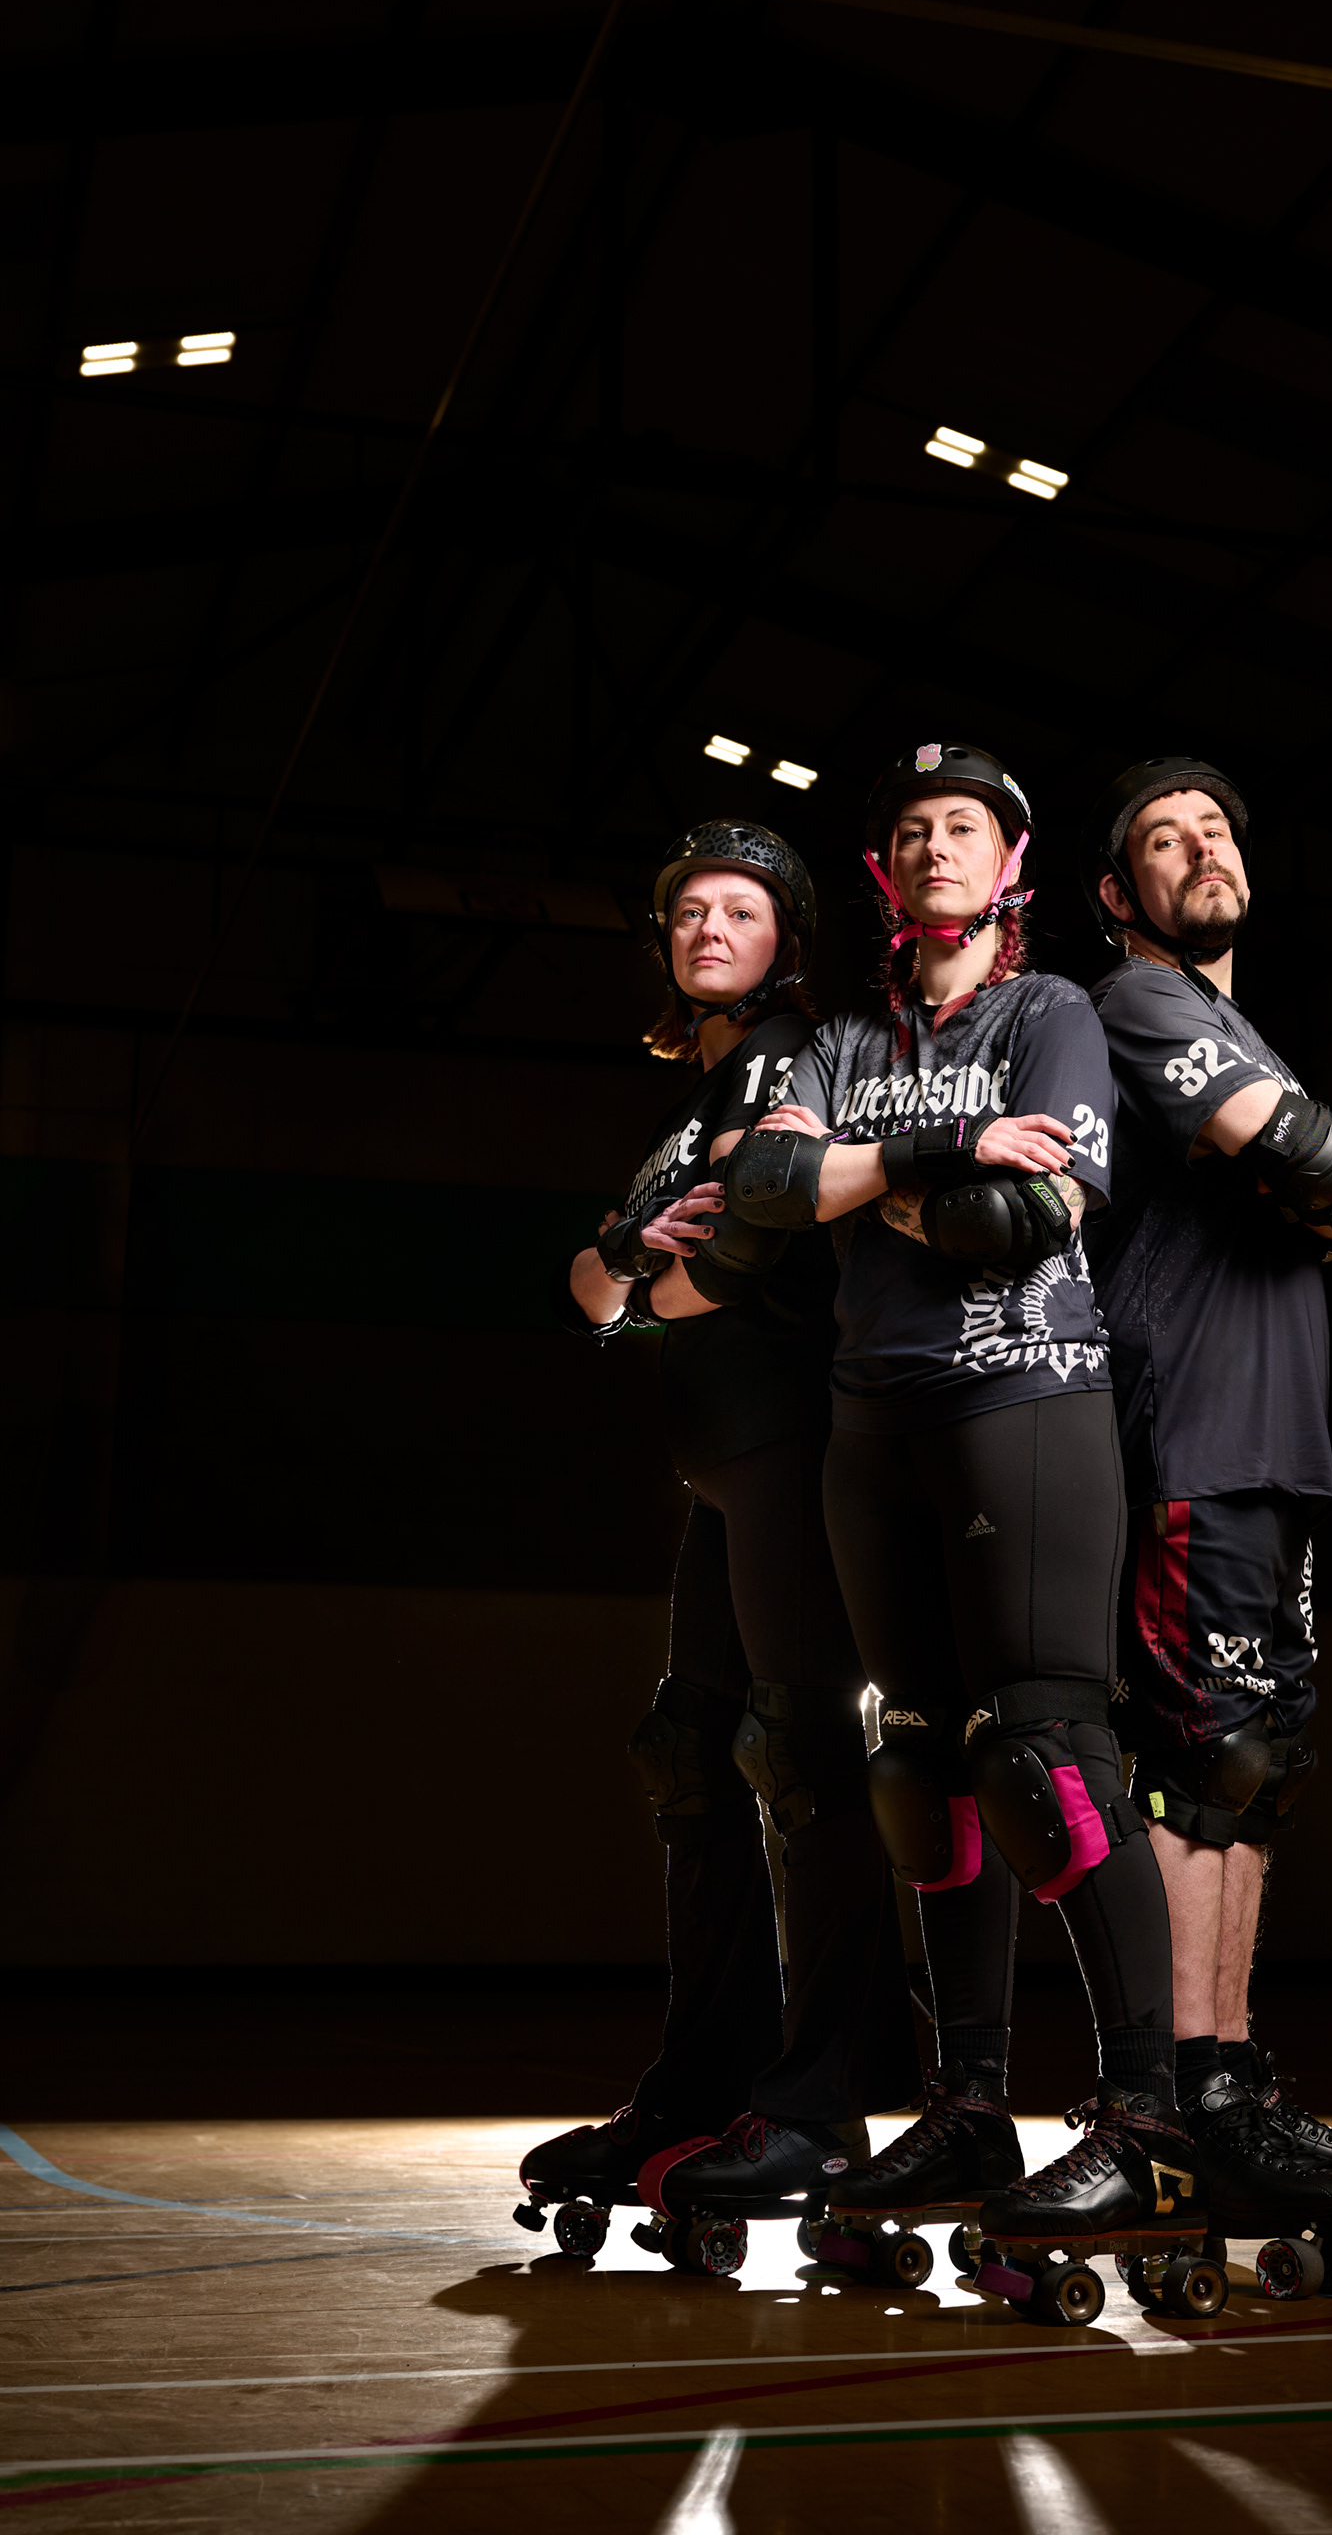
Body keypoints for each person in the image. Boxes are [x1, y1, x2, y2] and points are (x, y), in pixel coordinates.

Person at [721, 742, 1207, 2253]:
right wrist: (941, 1147)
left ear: (1011, 867)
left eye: (967, 829)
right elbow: (761, 1195)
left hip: (1022, 1395)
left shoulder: (1051, 1012)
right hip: (871, 1420)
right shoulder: (839, 1036)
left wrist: (863, 1177)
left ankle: (1149, 2124)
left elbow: (1027, 1219)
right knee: (922, 1765)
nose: (940, 847)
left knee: (1046, 1750)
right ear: (884, 871)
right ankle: (971, 2104)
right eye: (916, 830)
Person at [519, 819, 915, 2225]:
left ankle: (825, 2100)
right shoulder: (691, 1101)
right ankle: (703, 2082)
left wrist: (636, 1273)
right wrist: (633, 1259)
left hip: (795, 1442)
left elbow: (733, 1249)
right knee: (690, 1754)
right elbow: (587, 1284)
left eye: (740, 911)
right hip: (719, 1463)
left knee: (802, 1755)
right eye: (690, 911)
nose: (709, 929)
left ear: (785, 938)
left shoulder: (790, 1053)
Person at [1079, 757, 1332, 2228]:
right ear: (1121, 895)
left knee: (1253, 1772)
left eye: (1215, 830)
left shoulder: (1241, 1032)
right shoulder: (1140, 1001)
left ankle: (1224, 2082)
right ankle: (1173, 2097)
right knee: (1196, 1766)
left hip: (1275, 1447)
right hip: (1191, 1433)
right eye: (1165, 842)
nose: (1200, 851)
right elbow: (1315, 1163)